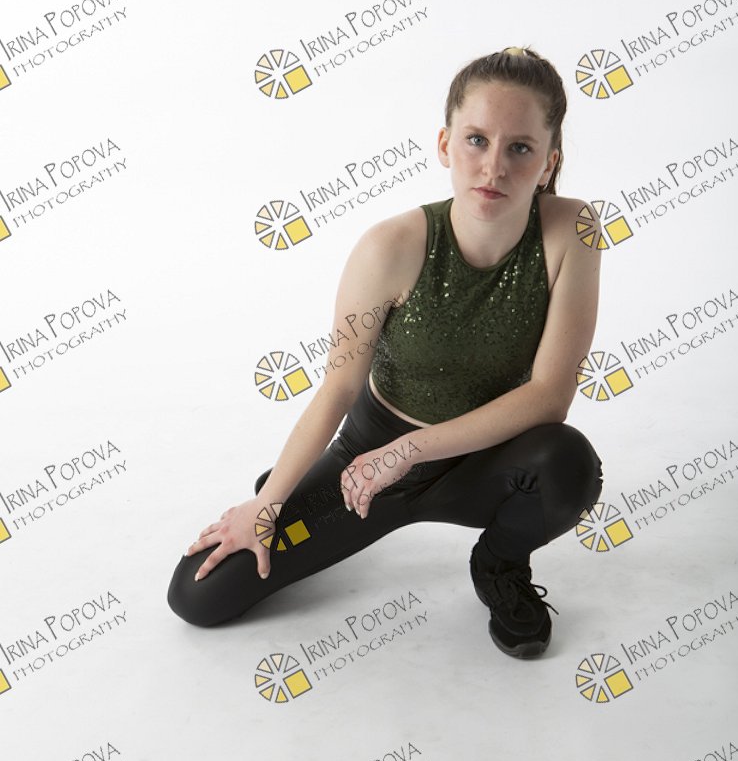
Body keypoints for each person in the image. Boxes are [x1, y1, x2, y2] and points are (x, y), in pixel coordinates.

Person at [167, 46, 603, 658]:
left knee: (568, 466)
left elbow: (549, 397)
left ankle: (500, 564)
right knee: (198, 596)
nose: (494, 167)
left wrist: (409, 453)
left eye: (520, 148)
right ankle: (303, 491)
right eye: (477, 140)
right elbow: (339, 388)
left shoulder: (572, 232)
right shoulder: (390, 247)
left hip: (481, 460)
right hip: (364, 469)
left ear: (549, 161)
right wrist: (268, 506)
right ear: (445, 144)